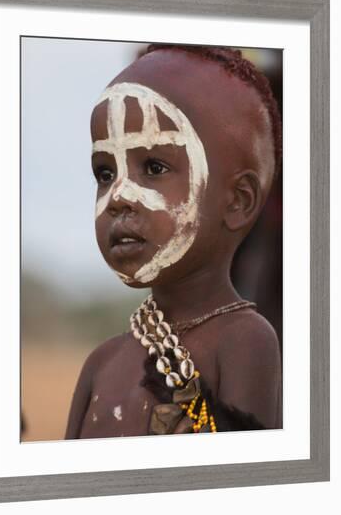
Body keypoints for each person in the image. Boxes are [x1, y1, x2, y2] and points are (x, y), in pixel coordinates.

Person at [64, 44, 282, 439]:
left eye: (154, 167)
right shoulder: (101, 363)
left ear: (238, 201)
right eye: (105, 173)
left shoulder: (245, 341)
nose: (119, 196)